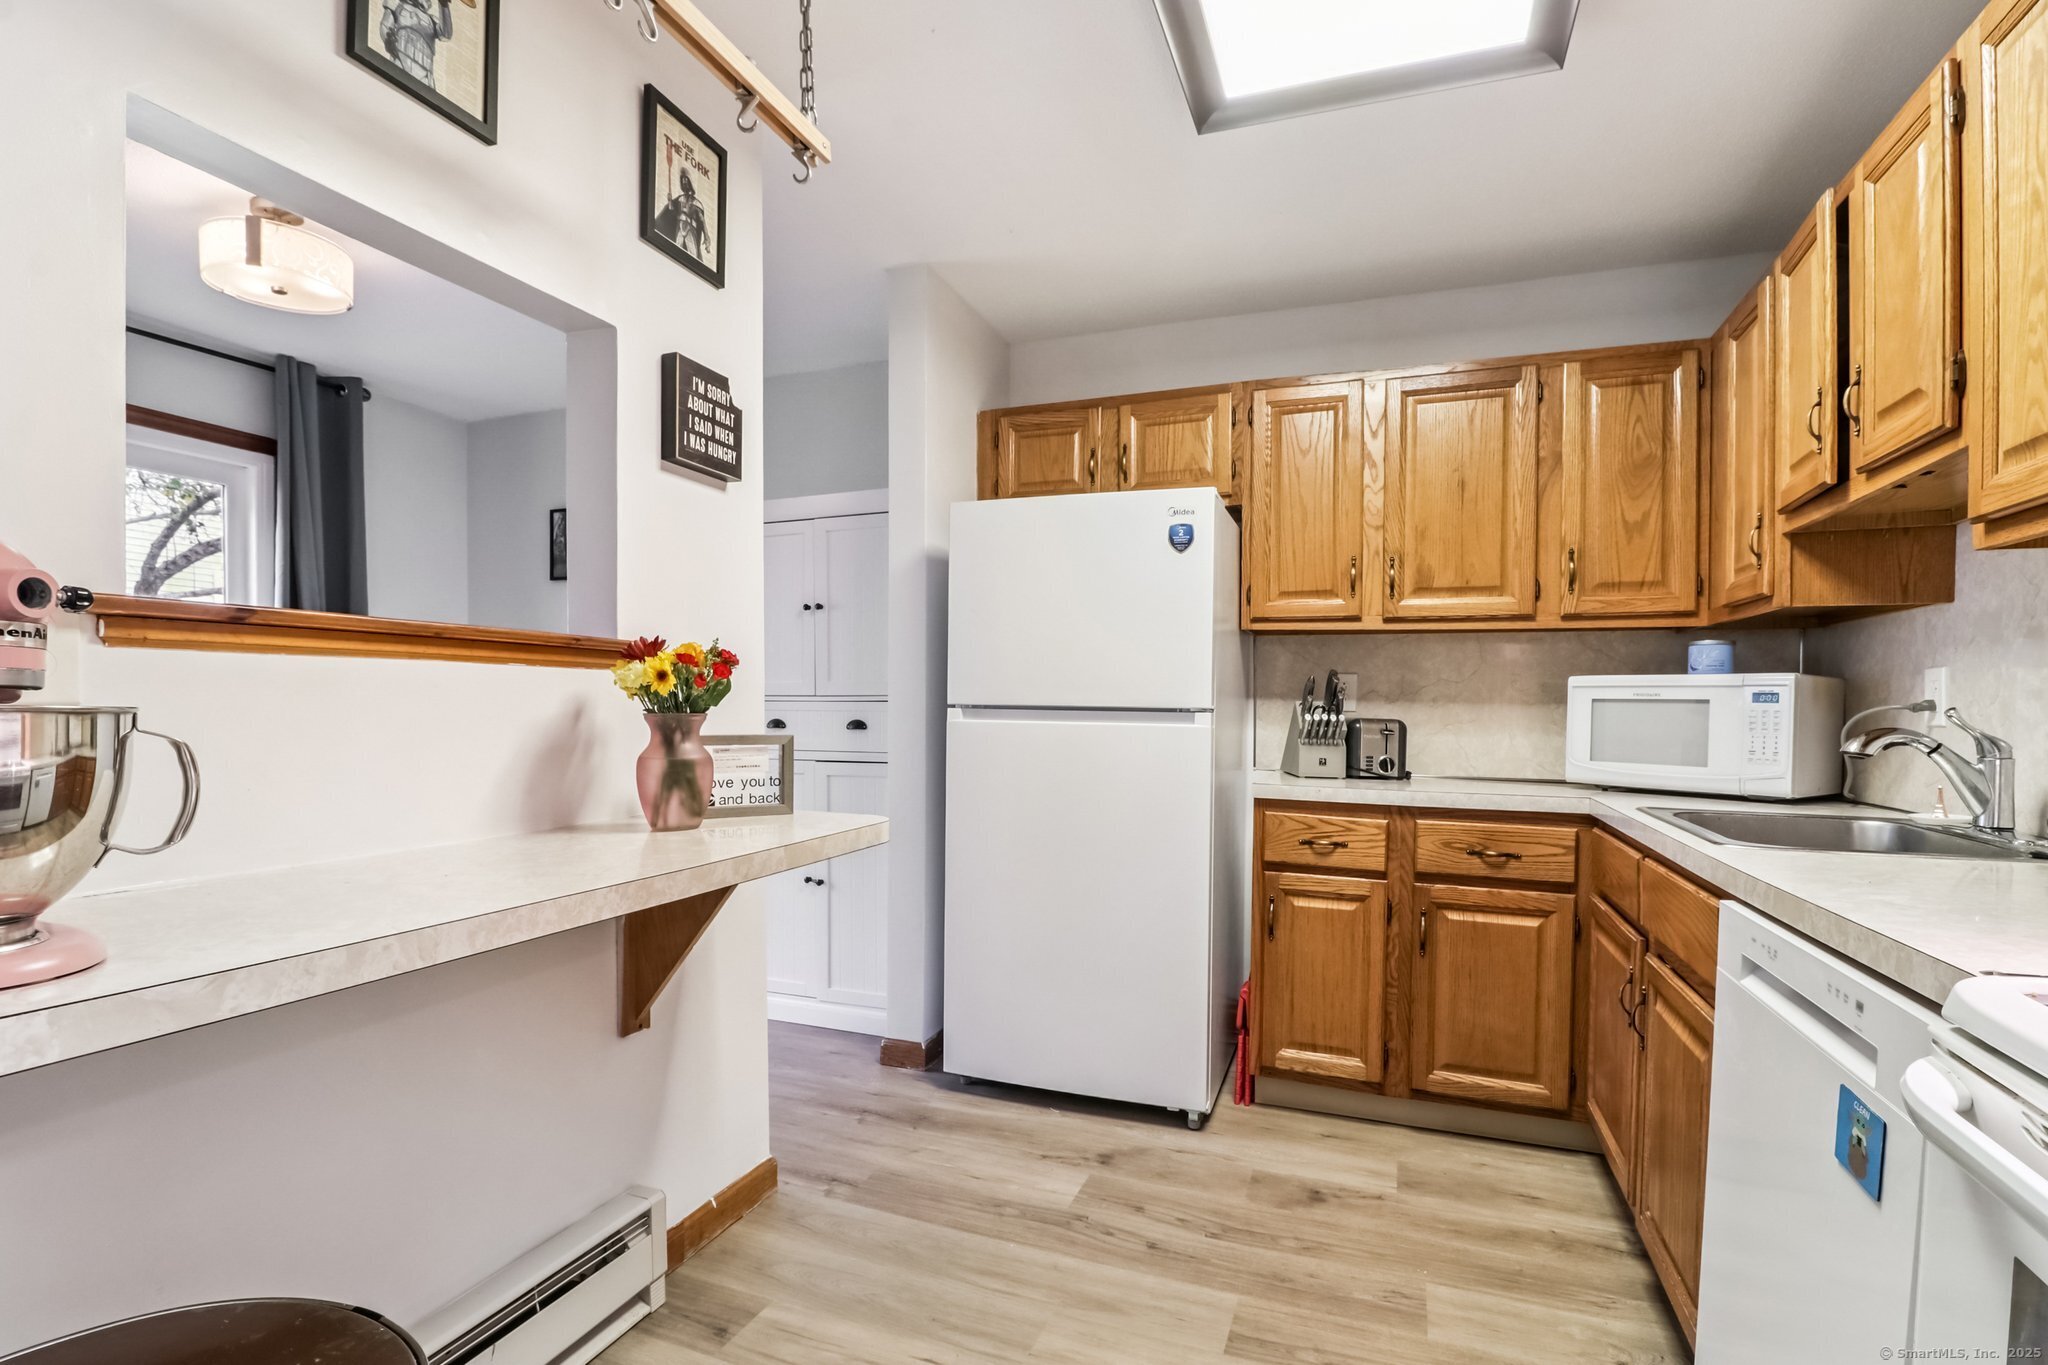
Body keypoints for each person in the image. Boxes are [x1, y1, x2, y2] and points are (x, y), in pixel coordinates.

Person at [382, 0, 454, 88]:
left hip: (425, 72)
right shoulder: (397, 5)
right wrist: (388, 39)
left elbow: (446, 34)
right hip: (401, 60)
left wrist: (444, 5)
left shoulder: (431, 20)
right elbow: (385, 25)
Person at [655, 159, 710, 261]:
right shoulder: (679, 199)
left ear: (690, 183)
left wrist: (706, 237)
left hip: (691, 229)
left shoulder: (697, 203)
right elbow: (671, 211)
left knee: (693, 256)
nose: (684, 183)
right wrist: (670, 201)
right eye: (683, 181)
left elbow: (702, 221)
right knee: (675, 252)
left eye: (686, 181)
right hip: (680, 228)